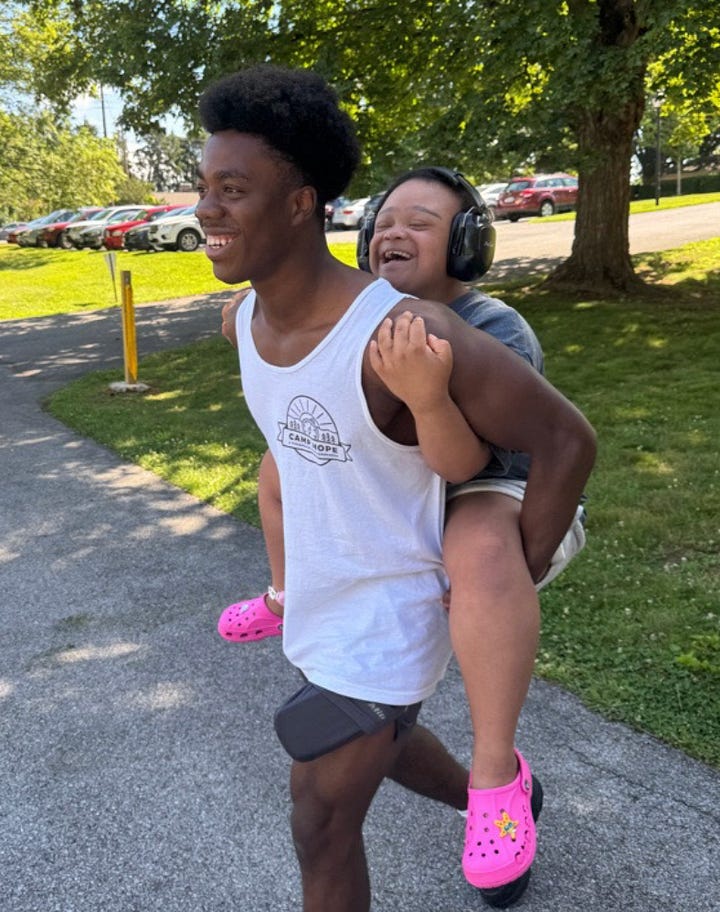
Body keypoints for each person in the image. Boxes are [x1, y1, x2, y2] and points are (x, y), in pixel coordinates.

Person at [196, 64, 596, 912]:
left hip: (397, 605)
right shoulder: (250, 322)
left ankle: (496, 779)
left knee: (319, 821)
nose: (206, 210)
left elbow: (564, 442)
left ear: (300, 204)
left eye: (233, 190)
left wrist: (509, 572)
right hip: (326, 602)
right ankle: (512, 796)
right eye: (204, 188)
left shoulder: (412, 335)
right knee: (391, 743)